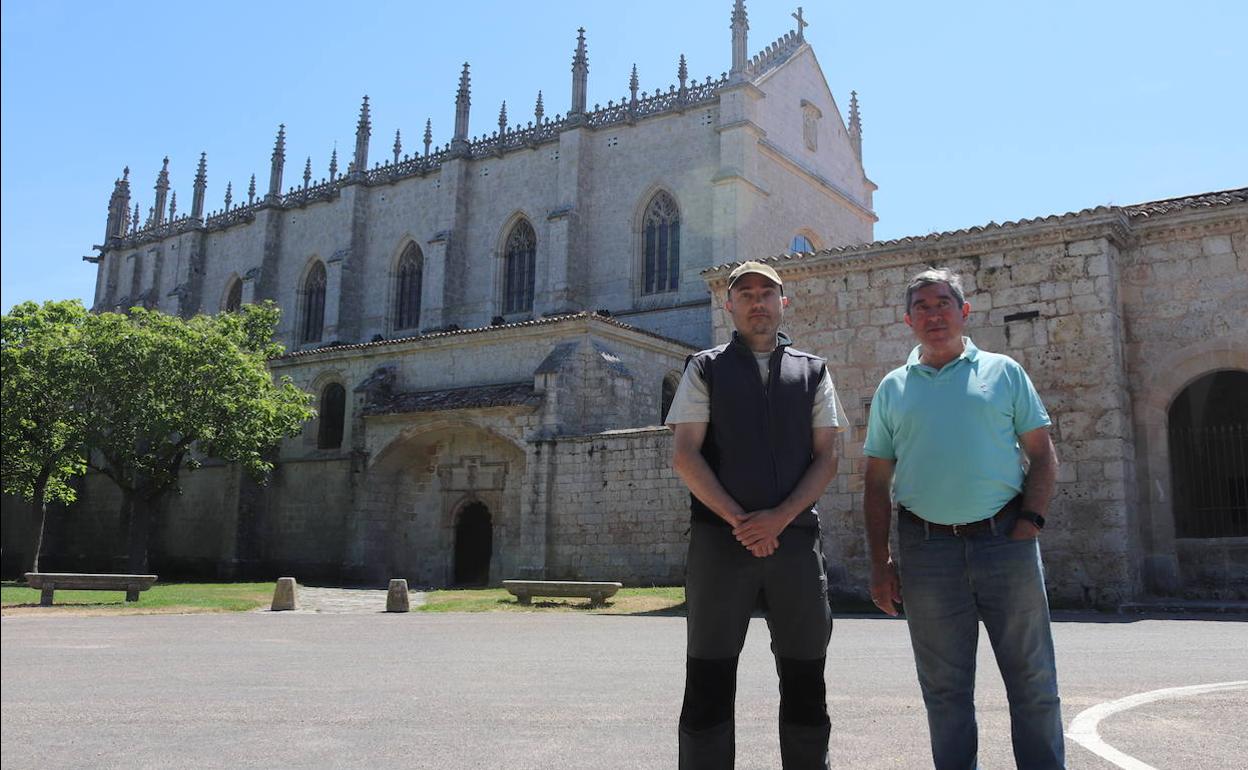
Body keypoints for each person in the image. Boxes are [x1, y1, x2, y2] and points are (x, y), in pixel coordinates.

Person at [863, 268, 1065, 769]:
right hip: (927, 551)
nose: (934, 314)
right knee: (945, 691)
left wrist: (1030, 523)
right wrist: (879, 562)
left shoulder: (1004, 372)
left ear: (964, 311)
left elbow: (1042, 454)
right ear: (907, 320)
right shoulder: (892, 388)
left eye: (943, 303)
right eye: (923, 307)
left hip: (1006, 541)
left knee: (1033, 682)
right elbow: (874, 481)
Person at [665, 260, 844, 769]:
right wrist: (743, 523)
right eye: (745, 293)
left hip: (795, 544)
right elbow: (685, 454)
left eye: (768, 292)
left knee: (806, 676)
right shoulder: (704, 367)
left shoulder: (814, 371)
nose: (757, 301)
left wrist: (780, 519)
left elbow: (827, 457)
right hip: (720, 546)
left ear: (783, 302)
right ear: (729, 305)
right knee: (708, 678)